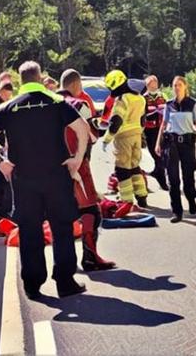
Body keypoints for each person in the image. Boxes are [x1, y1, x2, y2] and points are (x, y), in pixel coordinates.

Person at [0, 61, 88, 300]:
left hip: (24, 180)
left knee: (29, 230)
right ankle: (65, 282)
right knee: (62, 227)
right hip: (56, 176)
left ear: (21, 80)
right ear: (40, 77)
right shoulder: (57, 103)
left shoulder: (9, 107)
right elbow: (82, 128)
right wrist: (76, 159)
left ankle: (33, 285)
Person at [58, 69, 115, 271]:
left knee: (59, 215)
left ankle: (63, 266)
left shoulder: (46, 103)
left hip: (50, 168)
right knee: (91, 211)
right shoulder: (78, 105)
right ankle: (90, 258)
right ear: (75, 85)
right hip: (77, 163)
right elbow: (92, 135)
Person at [155, 76, 196, 223]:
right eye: (174, 85)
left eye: (179, 85)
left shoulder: (193, 104)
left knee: (188, 176)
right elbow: (163, 125)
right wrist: (158, 144)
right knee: (173, 179)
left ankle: (191, 200)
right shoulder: (168, 105)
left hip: (187, 144)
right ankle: (177, 211)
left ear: (185, 87)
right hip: (171, 144)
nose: (176, 88)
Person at [101, 70, 148, 209]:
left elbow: (116, 122)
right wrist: (140, 134)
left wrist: (106, 139)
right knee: (135, 167)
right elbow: (143, 120)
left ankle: (126, 201)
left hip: (123, 139)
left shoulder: (122, 100)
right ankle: (142, 196)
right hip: (137, 136)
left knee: (122, 170)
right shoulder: (140, 98)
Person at [143, 75, 168, 190]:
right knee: (154, 153)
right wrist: (151, 115)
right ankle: (157, 172)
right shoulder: (144, 98)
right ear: (147, 86)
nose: (153, 87)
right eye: (150, 85)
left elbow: (169, 110)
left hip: (161, 129)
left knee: (161, 155)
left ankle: (160, 177)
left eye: (155, 84)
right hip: (149, 129)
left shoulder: (163, 96)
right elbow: (141, 115)